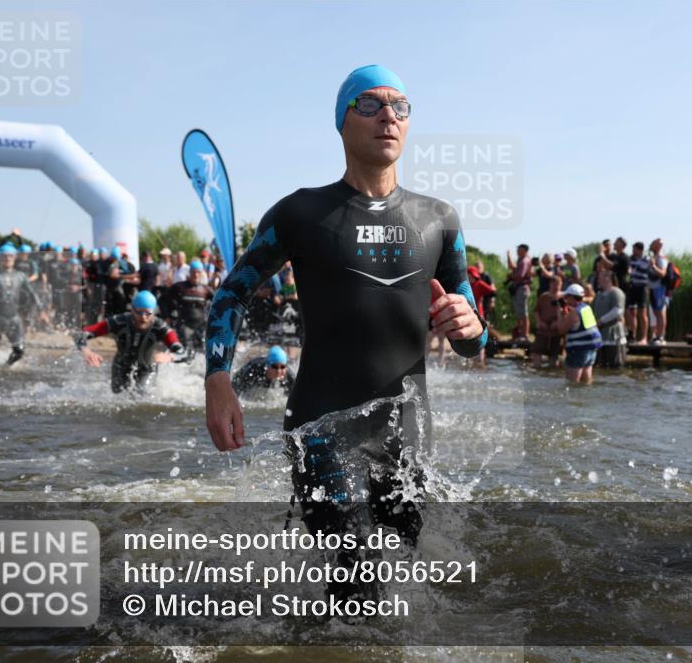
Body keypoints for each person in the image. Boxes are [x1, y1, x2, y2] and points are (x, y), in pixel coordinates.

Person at [203, 65, 487, 601]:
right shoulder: (301, 212)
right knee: (358, 575)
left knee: (404, 582)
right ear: (342, 121)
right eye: (370, 104)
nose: (388, 116)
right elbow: (231, 294)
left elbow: (470, 334)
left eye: (400, 106)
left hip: (407, 432)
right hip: (322, 427)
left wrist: (472, 329)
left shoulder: (439, 219)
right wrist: (218, 380)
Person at [76, 290, 186, 393]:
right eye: (139, 312)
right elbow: (80, 335)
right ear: (132, 310)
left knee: (142, 393)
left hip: (147, 369)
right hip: (120, 367)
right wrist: (86, 351)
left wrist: (170, 356)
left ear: (154, 313)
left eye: (148, 313)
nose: (143, 317)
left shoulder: (160, 327)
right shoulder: (119, 321)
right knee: (118, 397)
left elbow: (183, 353)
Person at [0, 244, 46, 365]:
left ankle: (6, 367)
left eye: (10, 256)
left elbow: (32, 294)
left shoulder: (20, 276)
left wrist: (41, 310)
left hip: (13, 318)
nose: (7, 258)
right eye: (4, 256)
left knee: (19, 351)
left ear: (15, 257)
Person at [163, 259, 215, 352]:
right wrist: (167, 316)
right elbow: (163, 300)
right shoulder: (179, 287)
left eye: (198, 272)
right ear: (189, 273)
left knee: (200, 352)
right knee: (185, 351)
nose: (196, 275)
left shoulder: (206, 289)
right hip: (183, 326)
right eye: (193, 272)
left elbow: (220, 303)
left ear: (202, 274)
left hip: (200, 326)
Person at [554, 283, 601, 384]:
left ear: (571, 297)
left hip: (578, 349)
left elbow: (561, 330)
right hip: (591, 348)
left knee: (572, 384)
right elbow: (581, 326)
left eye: (566, 297)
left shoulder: (574, 313)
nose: (565, 300)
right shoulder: (586, 308)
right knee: (586, 382)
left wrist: (558, 313)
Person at [593, 270, 627, 368]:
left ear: (607, 278)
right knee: (602, 366)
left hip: (614, 335)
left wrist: (601, 321)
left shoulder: (616, 292)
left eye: (600, 277)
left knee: (615, 366)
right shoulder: (599, 294)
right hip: (601, 335)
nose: (598, 280)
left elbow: (618, 311)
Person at [231, 345, 297, 396]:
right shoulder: (254, 370)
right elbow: (235, 387)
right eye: (274, 367)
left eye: (282, 367)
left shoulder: (289, 376)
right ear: (268, 366)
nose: (278, 371)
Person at [530, 270, 562, 369]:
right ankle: (537, 370)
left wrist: (558, 322)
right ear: (550, 285)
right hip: (543, 329)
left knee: (554, 356)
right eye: (554, 284)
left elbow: (567, 313)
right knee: (537, 352)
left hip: (556, 331)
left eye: (558, 285)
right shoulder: (544, 296)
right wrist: (539, 322)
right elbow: (536, 311)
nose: (556, 287)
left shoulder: (563, 298)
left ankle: (552, 372)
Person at [506, 243, 533, 342]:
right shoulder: (521, 260)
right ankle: (521, 334)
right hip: (519, 288)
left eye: (519, 249)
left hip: (522, 288)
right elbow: (513, 268)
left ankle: (525, 335)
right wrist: (509, 257)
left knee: (523, 312)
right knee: (519, 312)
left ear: (524, 250)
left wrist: (511, 276)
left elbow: (520, 275)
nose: (517, 251)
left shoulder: (525, 261)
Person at [625, 241, 651, 345]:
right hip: (632, 286)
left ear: (639, 250)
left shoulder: (647, 259)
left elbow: (642, 270)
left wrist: (633, 270)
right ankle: (633, 335)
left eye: (634, 249)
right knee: (631, 311)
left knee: (642, 312)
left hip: (642, 287)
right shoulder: (631, 259)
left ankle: (644, 337)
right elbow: (629, 270)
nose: (632, 251)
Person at [648, 238, 669, 345]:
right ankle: (657, 335)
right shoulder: (654, 257)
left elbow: (663, 273)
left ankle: (660, 337)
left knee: (660, 313)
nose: (650, 245)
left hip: (659, 288)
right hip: (652, 288)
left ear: (658, 246)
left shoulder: (661, 258)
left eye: (653, 243)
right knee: (656, 313)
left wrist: (653, 266)